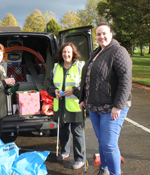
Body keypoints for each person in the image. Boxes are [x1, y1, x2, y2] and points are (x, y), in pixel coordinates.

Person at [79, 23, 132, 175]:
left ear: (111, 34)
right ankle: (104, 168)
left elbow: (126, 80)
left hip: (112, 108)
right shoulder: (96, 52)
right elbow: (87, 78)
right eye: (98, 34)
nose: (101, 36)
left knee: (109, 144)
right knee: (101, 141)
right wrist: (82, 98)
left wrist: (118, 105)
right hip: (95, 107)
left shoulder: (118, 51)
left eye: (104, 33)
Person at [47, 42, 85, 169]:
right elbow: (49, 85)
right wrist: (54, 91)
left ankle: (80, 159)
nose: (66, 54)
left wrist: (74, 91)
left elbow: (86, 87)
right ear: (61, 54)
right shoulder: (56, 67)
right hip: (60, 105)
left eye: (69, 52)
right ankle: (64, 152)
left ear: (73, 53)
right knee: (63, 131)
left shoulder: (80, 66)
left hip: (75, 106)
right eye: (64, 52)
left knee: (77, 132)